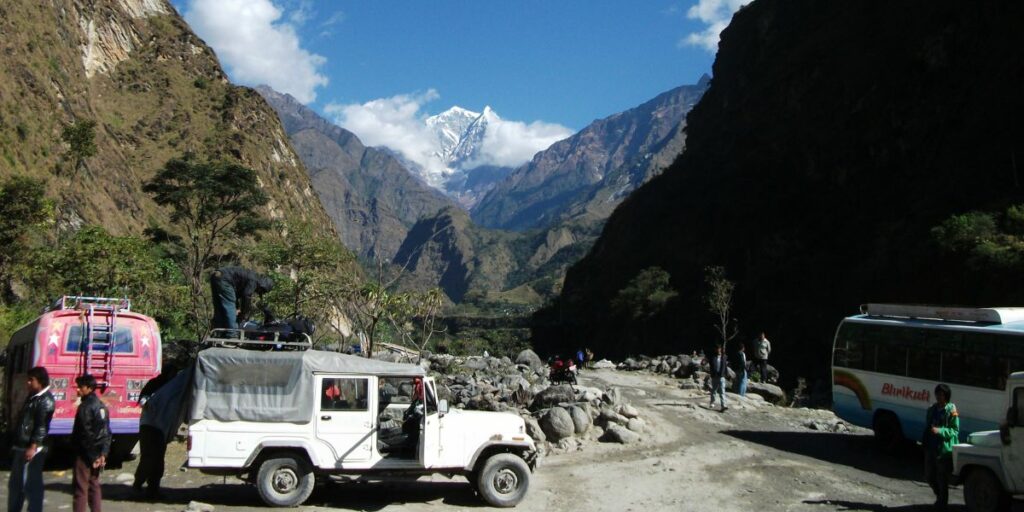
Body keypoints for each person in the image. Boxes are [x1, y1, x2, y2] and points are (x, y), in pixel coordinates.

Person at [8, 366, 55, 512]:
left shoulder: (45, 400)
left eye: (31, 380)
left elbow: (41, 426)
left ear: (40, 381)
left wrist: (33, 446)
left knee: (31, 484)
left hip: (33, 449)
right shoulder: (33, 397)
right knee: (16, 485)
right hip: (21, 445)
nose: (28, 383)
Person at [133, 365, 181, 500]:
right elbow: (143, 400)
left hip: (159, 427)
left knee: (157, 459)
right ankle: (139, 484)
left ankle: (152, 488)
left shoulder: (170, 387)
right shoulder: (156, 385)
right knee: (149, 457)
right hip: (150, 426)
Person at [71, 374, 111, 512]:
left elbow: (85, 434)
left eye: (80, 387)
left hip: (85, 453)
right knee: (94, 485)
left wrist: (93, 456)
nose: (78, 390)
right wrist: (103, 453)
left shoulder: (85, 407)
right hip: (98, 453)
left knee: (81, 488)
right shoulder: (101, 406)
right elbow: (106, 432)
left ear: (89, 388)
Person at [923, 383, 959, 511]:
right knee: (929, 476)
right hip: (930, 448)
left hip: (943, 450)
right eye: (937, 394)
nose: (938, 397)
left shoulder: (951, 410)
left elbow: (955, 431)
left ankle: (942, 503)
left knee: (942, 479)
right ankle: (939, 497)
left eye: (941, 394)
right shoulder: (932, 409)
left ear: (946, 396)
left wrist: (940, 431)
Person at [209, 266, 274, 329]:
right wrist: (243, 314)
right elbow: (246, 296)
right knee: (231, 310)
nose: (259, 292)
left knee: (220, 308)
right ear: (262, 285)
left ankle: (219, 331)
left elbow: (235, 295)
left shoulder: (248, 279)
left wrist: (238, 308)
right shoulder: (253, 280)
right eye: (262, 291)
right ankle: (232, 333)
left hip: (216, 276)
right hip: (225, 279)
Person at [709, 345, 728, 412]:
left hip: (721, 376)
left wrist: (726, 374)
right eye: (717, 349)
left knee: (722, 391)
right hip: (715, 376)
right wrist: (711, 374)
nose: (718, 350)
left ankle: (723, 405)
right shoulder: (713, 357)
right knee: (714, 390)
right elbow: (711, 366)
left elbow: (725, 366)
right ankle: (712, 402)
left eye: (719, 349)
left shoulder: (724, 357)